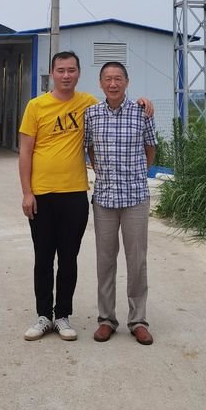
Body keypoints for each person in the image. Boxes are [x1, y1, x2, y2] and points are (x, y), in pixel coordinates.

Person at [18, 51, 153, 342]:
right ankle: (44, 316)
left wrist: (144, 102)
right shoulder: (37, 106)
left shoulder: (88, 105)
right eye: (61, 70)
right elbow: (25, 151)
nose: (66, 75)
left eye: (71, 70)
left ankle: (63, 316)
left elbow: (137, 135)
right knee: (44, 257)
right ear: (53, 73)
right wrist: (27, 192)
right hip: (42, 194)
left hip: (75, 194)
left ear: (79, 74)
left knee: (69, 258)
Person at [84, 61, 157, 346]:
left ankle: (138, 321)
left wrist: (137, 174)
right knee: (105, 260)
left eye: (118, 78)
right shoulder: (92, 114)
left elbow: (150, 148)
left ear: (126, 82)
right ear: (100, 83)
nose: (112, 84)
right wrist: (102, 171)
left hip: (135, 197)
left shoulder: (142, 112)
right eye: (107, 79)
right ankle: (106, 319)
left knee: (137, 260)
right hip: (104, 198)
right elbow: (90, 148)